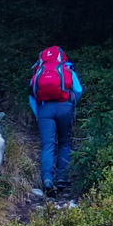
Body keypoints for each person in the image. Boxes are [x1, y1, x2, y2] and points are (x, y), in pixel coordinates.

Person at [27, 45, 81, 194]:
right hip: (65, 107)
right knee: (64, 142)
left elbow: (31, 96)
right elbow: (78, 90)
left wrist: (39, 114)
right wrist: (71, 103)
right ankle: (62, 179)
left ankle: (47, 180)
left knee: (48, 145)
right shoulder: (66, 68)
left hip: (45, 109)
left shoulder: (39, 70)